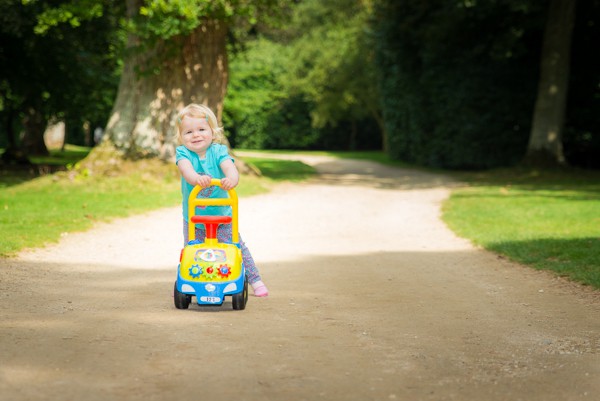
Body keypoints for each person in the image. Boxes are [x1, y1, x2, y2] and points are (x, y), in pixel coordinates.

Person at [175, 103, 268, 297]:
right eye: (189, 132)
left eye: (201, 129)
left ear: (212, 131)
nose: (196, 135)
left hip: (222, 216)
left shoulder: (218, 151)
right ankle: (194, 281)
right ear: (181, 136)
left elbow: (229, 168)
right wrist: (196, 179)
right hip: (194, 218)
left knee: (235, 248)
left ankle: (255, 279)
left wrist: (231, 180)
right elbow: (186, 170)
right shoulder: (183, 153)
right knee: (194, 252)